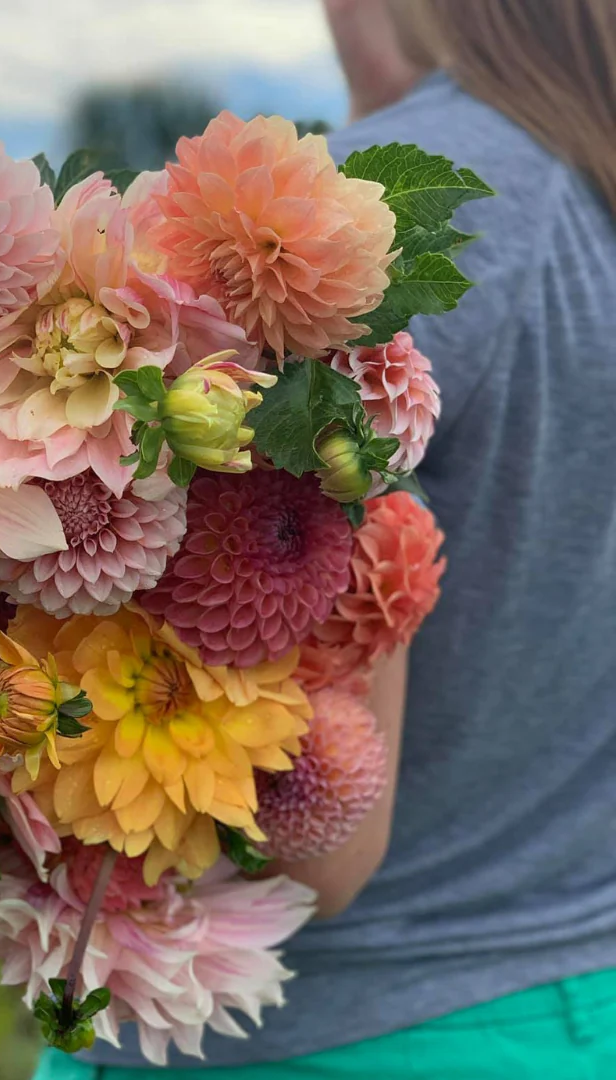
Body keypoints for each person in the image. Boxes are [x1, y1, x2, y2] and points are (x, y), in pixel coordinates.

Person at [36, 0, 616, 1075]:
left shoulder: (347, 225)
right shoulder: (588, 185)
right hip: (577, 1001)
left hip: (327, 1026)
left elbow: (327, 859)